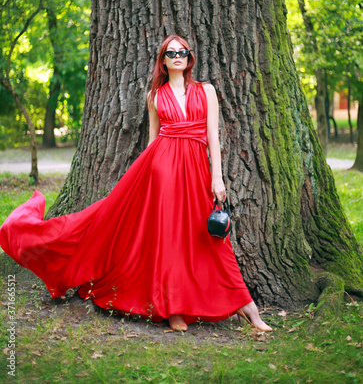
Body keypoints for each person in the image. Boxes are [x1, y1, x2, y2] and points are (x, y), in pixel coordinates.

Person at [0, 34, 272, 333]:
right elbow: (153, 141)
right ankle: (174, 310)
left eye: (183, 51)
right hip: (161, 170)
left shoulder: (206, 91)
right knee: (167, 239)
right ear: (163, 61)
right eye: (171, 53)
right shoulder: (155, 96)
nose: (178, 56)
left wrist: (217, 178)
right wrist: (146, 181)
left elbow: (213, 138)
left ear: (190, 57)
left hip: (196, 171)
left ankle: (247, 307)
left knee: (210, 238)